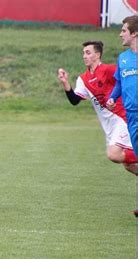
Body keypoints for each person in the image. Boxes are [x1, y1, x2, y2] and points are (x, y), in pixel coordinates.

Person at [57, 41, 138, 175]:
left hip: (122, 119)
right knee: (129, 166)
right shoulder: (83, 79)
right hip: (109, 126)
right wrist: (65, 82)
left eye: (88, 53)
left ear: (98, 55)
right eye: (83, 53)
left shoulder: (108, 70)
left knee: (113, 154)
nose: (84, 56)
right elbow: (74, 100)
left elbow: (128, 80)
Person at [105, 15, 138, 217]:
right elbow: (118, 82)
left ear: (135, 33)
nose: (120, 34)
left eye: (124, 30)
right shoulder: (123, 58)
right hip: (131, 117)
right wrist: (112, 97)